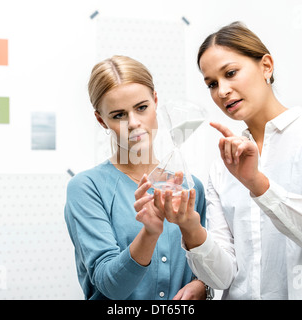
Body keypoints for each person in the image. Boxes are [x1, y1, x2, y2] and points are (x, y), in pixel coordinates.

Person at [159, 21, 302, 299]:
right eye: (212, 84)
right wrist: (191, 228)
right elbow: (223, 276)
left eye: (230, 73)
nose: (222, 91)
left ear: (266, 66)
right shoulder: (222, 166)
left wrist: (257, 183)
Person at [64, 55, 208, 300]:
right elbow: (111, 286)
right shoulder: (87, 188)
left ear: (155, 100)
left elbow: (207, 262)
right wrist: (149, 233)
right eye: (118, 115)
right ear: (101, 119)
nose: (133, 123)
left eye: (142, 108)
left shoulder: (189, 186)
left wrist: (203, 285)